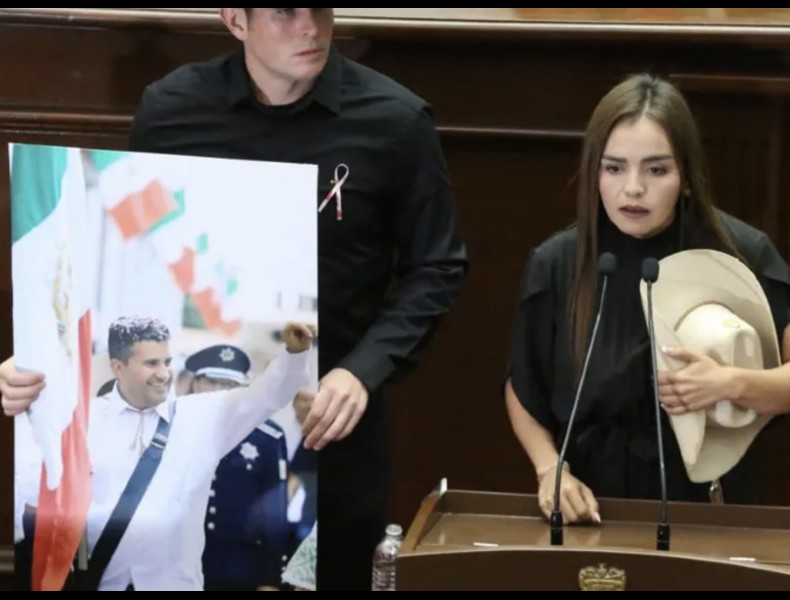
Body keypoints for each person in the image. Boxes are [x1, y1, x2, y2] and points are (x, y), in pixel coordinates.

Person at [125, 8, 468, 591]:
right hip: (192, 415)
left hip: (330, 421)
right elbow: (137, 255)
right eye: (285, 11)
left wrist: (363, 371)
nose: (311, 26)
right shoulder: (171, 112)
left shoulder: (394, 121)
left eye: (321, 8)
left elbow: (437, 266)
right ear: (235, 20)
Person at [504, 73, 790, 525]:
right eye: (614, 168)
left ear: (686, 176)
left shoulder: (740, 252)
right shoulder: (558, 261)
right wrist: (549, 468)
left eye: (656, 170)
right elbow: (524, 385)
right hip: (591, 504)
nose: (633, 188)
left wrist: (731, 383)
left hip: (707, 503)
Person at [5, 316, 314, 591]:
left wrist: (294, 355)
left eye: (167, 362)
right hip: (101, 581)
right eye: (151, 363)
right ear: (118, 367)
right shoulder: (84, 419)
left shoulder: (201, 417)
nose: (164, 374)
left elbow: (265, 396)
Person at [183, 343, 294, 591]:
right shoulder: (178, 431)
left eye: (230, 385)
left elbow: (275, 515)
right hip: (181, 568)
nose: (220, 391)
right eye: (212, 382)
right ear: (196, 384)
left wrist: (270, 580)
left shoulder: (267, 437)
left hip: (239, 569)